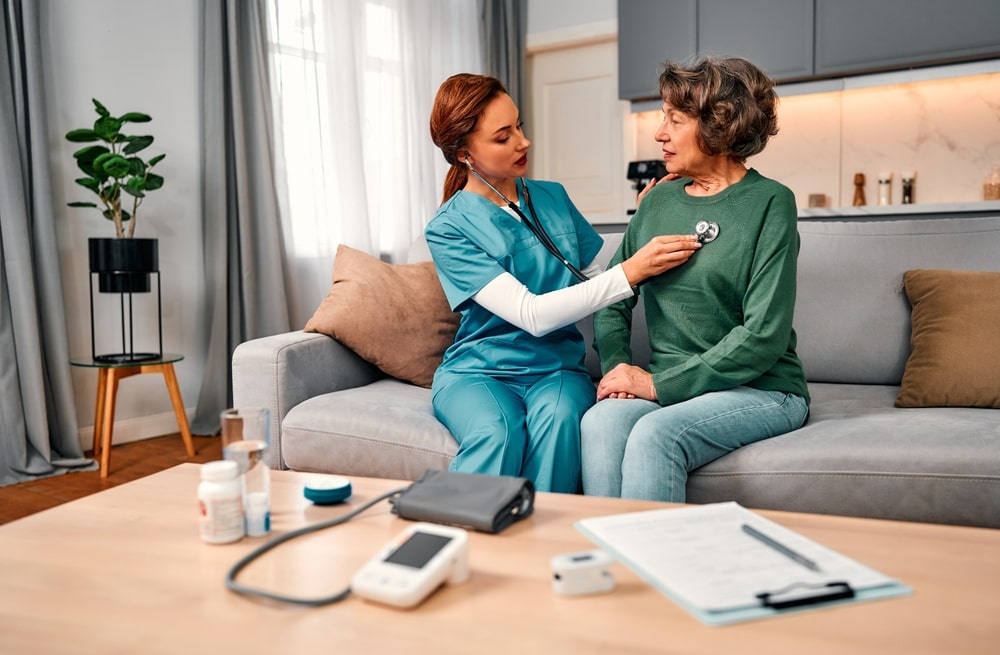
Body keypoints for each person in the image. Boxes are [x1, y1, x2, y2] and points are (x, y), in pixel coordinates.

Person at [425, 73, 700, 493]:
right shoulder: (449, 228)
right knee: (498, 432)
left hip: (556, 368)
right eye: (503, 137)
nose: (524, 142)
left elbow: (597, 282)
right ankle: (460, 526)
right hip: (479, 372)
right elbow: (532, 315)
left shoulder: (552, 196)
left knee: (559, 424)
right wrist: (632, 270)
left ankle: (544, 531)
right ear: (465, 154)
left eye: (519, 126)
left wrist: (642, 223)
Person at [581, 57, 811, 502]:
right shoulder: (657, 201)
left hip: (761, 387)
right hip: (673, 382)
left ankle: (652, 551)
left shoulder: (771, 202)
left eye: (675, 119)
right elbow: (614, 293)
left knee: (655, 435)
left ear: (719, 124)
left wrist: (656, 386)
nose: (659, 133)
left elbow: (764, 336)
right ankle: (608, 548)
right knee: (600, 422)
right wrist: (618, 369)